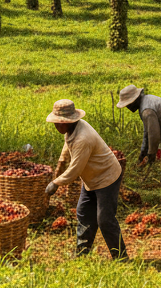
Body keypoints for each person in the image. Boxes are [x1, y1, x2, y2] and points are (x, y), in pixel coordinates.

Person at [44, 99, 126, 259]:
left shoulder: (83, 138)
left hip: (106, 177)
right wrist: (60, 163)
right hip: (92, 179)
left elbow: (75, 169)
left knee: (105, 220)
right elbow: (68, 145)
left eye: (59, 123)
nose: (56, 127)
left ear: (68, 122)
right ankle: (82, 253)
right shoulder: (72, 129)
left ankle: (121, 257)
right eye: (56, 123)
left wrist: (56, 183)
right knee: (83, 213)